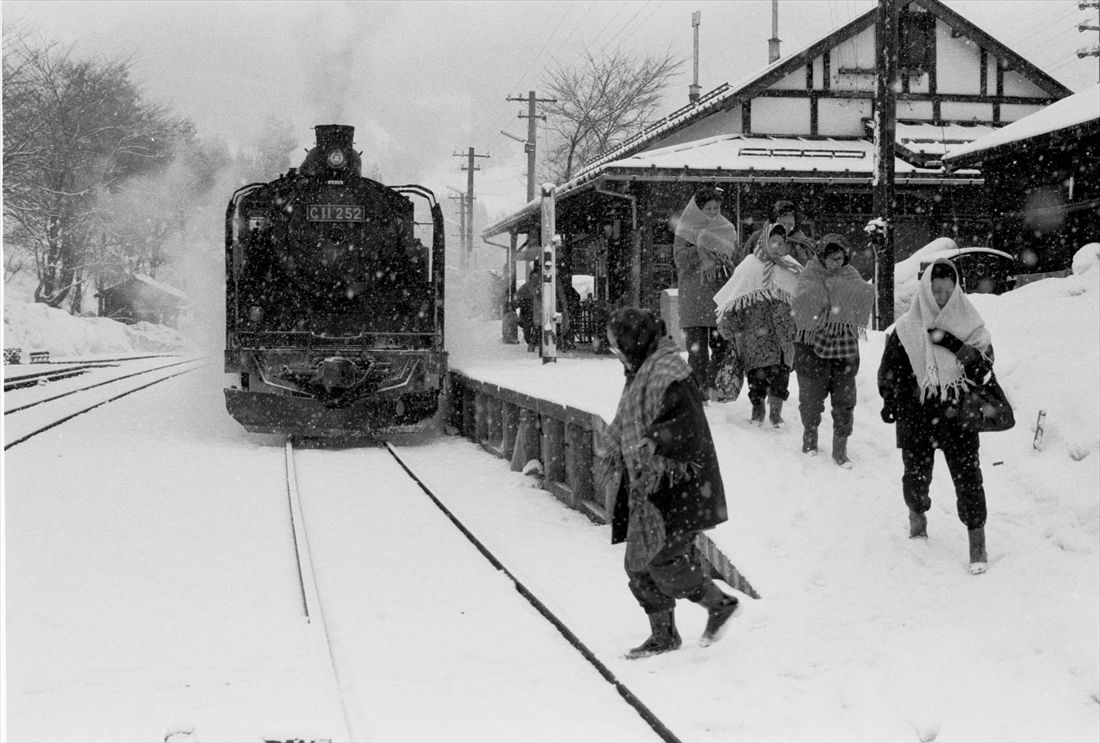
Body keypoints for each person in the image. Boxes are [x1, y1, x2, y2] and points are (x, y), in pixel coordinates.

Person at [596, 308, 740, 659]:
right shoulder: (642, 369)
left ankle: (719, 603)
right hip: (649, 484)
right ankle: (663, 635)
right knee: (638, 563)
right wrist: (620, 445)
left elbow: (686, 421)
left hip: (678, 483)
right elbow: (630, 418)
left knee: (662, 558)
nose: (616, 352)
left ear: (635, 340)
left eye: (619, 345)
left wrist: (655, 440)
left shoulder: (669, 370)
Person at [878, 258, 995, 575]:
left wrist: (954, 343)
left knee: (969, 479)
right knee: (916, 478)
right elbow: (890, 371)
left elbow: (984, 373)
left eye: (948, 290)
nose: (942, 297)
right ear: (926, 291)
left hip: (958, 414)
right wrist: (890, 400)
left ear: (956, 290)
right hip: (917, 413)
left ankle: (977, 543)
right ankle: (917, 517)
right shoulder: (907, 328)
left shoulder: (971, 325)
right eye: (936, 290)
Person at [790, 235, 875, 466]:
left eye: (839, 259)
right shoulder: (810, 274)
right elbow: (800, 302)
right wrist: (826, 306)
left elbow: (864, 296)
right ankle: (810, 437)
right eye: (830, 259)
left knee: (845, 399)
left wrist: (838, 301)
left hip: (844, 346)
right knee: (811, 398)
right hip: (811, 347)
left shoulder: (850, 275)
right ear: (821, 257)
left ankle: (840, 447)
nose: (835, 264)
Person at [715, 223, 802, 427]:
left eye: (781, 242)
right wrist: (731, 327)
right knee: (757, 375)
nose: (777, 246)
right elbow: (733, 298)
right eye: (773, 241)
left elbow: (803, 297)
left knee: (781, 373)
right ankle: (758, 405)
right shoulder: (750, 266)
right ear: (764, 241)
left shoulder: (790, 267)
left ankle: (776, 411)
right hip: (755, 333)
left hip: (783, 333)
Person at [673, 188, 738, 399]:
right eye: (707, 208)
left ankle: (714, 387)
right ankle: (699, 392)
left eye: (716, 208)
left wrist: (720, 250)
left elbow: (735, 257)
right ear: (698, 210)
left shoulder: (727, 228)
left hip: (720, 296)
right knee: (696, 351)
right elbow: (680, 259)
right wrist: (703, 245)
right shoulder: (686, 229)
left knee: (722, 347)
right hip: (693, 297)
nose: (712, 212)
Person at [733, 200, 816, 266]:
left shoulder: (802, 243)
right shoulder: (758, 237)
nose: (786, 228)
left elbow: (808, 270)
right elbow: (744, 264)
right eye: (783, 224)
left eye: (790, 224)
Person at [513, 264, 541, 351]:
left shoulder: (539, 287)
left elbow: (517, 297)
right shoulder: (527, 286)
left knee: (532, 329)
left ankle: (533, 343)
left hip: (531, 311)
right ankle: (532, 343)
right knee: (529, 330)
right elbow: (517, 297)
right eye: (535, 276)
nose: (536, 279)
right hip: (529, 311)